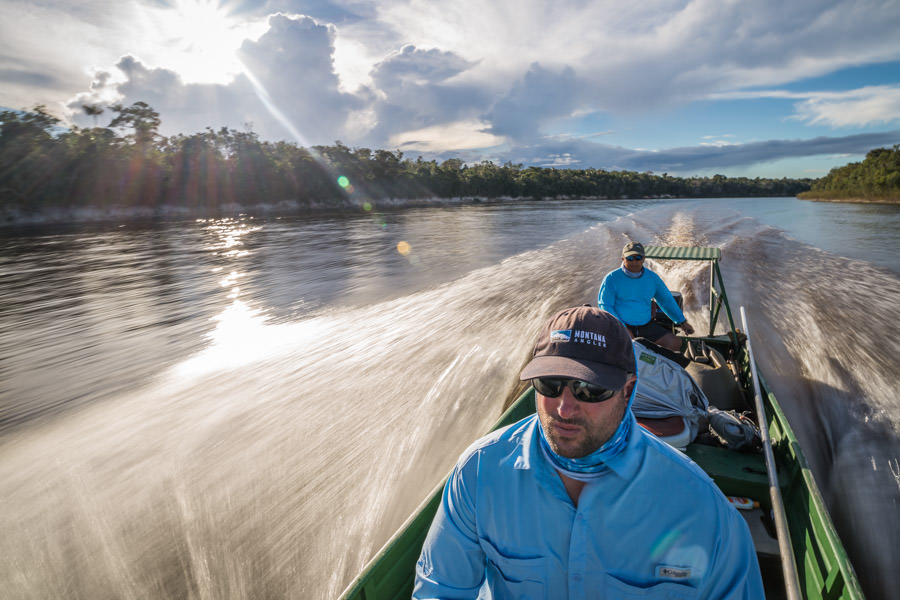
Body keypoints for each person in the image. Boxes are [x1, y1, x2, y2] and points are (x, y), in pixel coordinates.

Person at [414, 306, 763, 599]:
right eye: (549, 385)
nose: (564, 408)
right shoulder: (480, 473)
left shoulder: (698, 508)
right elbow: (439, 590)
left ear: (628, 391)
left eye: (589, 389)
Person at [598, 241, 694, 352]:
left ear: (643, 259)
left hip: (645, 325)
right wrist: (622, 327)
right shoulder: (611, 278)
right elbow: (605, 305)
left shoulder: (652, 278)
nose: (634, 262)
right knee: (627, 349)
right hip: (620, 326)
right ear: (623, 259)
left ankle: (656, 366)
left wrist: (681, 321)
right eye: (630, 258)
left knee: (675, 342)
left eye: (638, 258)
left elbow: (666, 300)